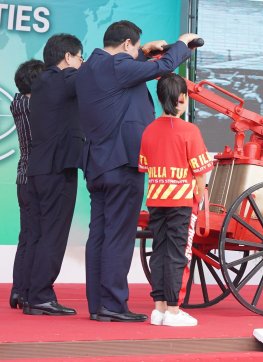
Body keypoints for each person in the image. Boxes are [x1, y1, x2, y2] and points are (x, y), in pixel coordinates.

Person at [76, 20, 201, 322]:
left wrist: (143, 53)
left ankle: (99, 305)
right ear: (126, 45)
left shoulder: (88, 70)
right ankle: (114, 305)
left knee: (100, 235)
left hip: (97, 164)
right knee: (118, 237)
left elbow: (125, 75)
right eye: (135, 49)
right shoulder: (119, 67)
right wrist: (183, 42)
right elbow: (163, 66)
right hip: (121, 163)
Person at [139, 73, 212, 326]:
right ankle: (173, 310)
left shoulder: (148, 130)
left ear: (160, 98)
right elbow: (201, 174)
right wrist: (198, 199)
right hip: (182, 203)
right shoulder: (189, 131)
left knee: (159, 252)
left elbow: (145, 166)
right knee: (179, 255)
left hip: (157, 200)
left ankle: (158, 307)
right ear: (182, 98)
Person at [22, 34, 84, 316]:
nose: (82, 63)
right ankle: (41, 296)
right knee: (53, 236)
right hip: (57, 169)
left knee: (38, 234)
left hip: (37, 169)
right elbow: (99, 74)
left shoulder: (41, 82)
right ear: (68, 58)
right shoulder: (64, 80)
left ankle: (29, 293)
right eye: (80, 57)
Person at [8, 59, 45, 310]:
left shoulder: (18, 103)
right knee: (37, 236)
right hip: (38, 177)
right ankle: (29, 289)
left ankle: (18, 290)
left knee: (27, 235)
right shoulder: (37, 105)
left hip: (23, 176)